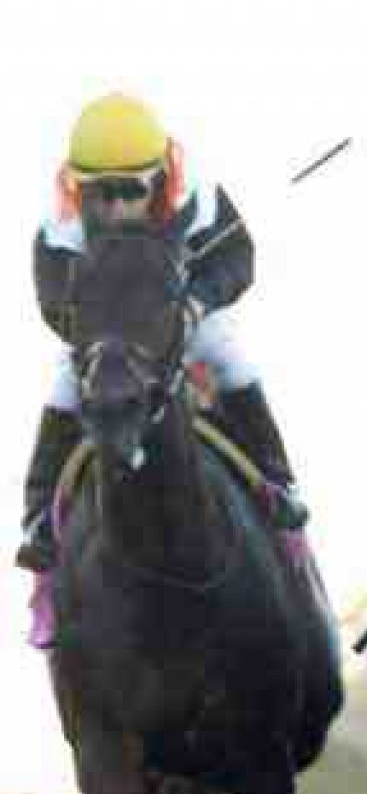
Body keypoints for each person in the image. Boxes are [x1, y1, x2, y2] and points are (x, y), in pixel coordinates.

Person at [21, 93, 308, 575]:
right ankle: (37, 517)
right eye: (102, 193)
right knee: (63, 389)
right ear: (80, 186)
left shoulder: (198, 199)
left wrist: (195, 303)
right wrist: (96, 330)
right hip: (107, 337)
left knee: (233, 361)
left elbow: (238, 258)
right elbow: (54, 302)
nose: (118, 206)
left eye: (130, 190)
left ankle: (277, 484)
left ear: (158, 177)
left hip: (187, 319)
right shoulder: (60, 229)